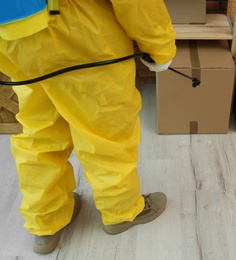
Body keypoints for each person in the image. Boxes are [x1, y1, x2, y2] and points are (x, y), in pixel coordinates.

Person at [0, 0, 176, 254]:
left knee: (40, 129)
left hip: (12, 37)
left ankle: (45, 220)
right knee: (105, 129)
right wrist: (160, 47)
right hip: (77, 31)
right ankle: (121, 211)